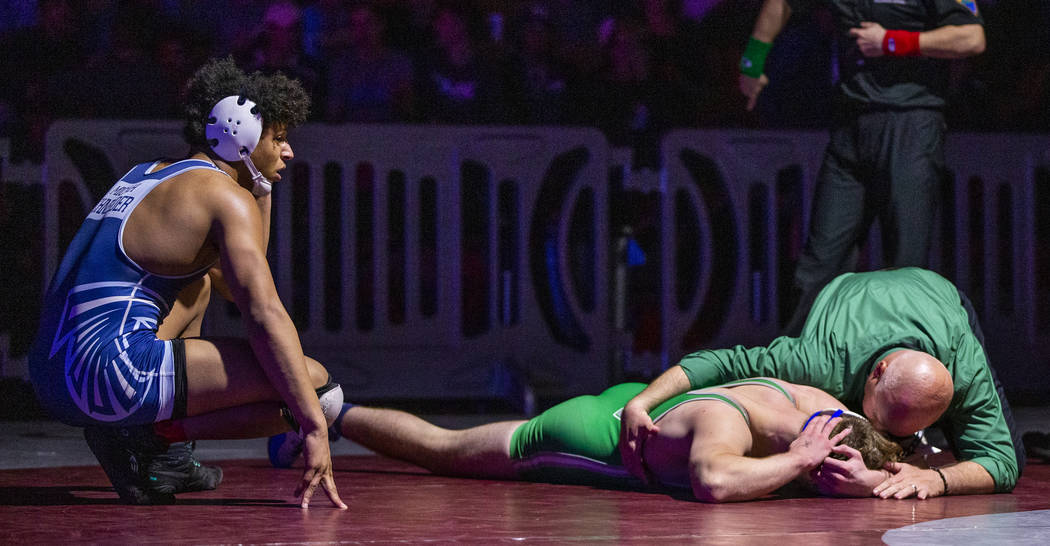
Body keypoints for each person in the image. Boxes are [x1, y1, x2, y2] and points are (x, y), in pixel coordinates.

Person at [28, 57, 346, 509]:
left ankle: (160, 451)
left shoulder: (148, 173)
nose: (289, 152)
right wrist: (313, 425)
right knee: (319, 393)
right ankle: (154, 437)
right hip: (105, 378)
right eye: (279, 138)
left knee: (194, 284)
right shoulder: (222, 196)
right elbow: (261, 311)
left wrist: (260, 193)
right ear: (244, 137)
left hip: (51, 373)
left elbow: (229, 285)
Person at [619, 268, 1023, 499]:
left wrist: (936, 478)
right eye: (880, 419)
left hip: (937, 296)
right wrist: (641, 402)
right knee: (841, 430)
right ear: (876, 374)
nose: (879, 432)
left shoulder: (965, 370)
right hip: (845, 299)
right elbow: (720, 362)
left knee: (1003, 453)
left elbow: (1001, 463)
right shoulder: (820, 361)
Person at [737, 0, 985, 332]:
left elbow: (971, 38)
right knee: (819, 263)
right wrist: (752, 61)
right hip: (851, 126)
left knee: (905, 265)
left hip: (909, 125)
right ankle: (797, 368)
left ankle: (901, 370)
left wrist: (891, 42)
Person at [271, 378, 904, 502]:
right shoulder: (731, 428)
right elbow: (712, 481)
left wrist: (878, 477)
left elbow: (876, 456)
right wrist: (795, 463)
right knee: (444, 451)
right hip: (585, 434)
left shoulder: (820, 407)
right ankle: (332, 411)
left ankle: (318, 420)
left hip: (643, 398)